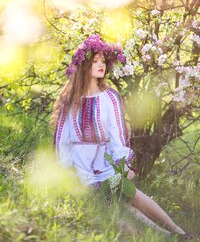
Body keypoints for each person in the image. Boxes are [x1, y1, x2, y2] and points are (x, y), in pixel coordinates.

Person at [51, 34, 187, 238]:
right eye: (95, 61)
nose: (101, 65)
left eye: (103, 61)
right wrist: (67, 173)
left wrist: (121, 164)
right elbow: (62, 141)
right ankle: (164, 236)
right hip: (80, 169)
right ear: (84, 65)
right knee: (116, 201)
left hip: (105, 164)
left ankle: (177, 230)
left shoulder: (109, 97)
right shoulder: (69, 101)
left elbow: (118, 137)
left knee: (128, 191)